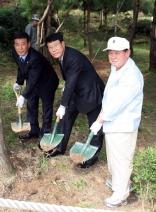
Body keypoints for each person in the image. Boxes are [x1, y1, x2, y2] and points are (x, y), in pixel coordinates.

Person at [90, 37, 143, 207]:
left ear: (128, 53)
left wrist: (100, 119)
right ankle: (120, 181)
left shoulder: (132, 76)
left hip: (123, 123)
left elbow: (118, 103)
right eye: (111, 53)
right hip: (113, 122)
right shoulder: (117, 67)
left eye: (117, 53)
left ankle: (121, 193)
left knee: (121, 157)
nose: (113, 57)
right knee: (113, 155)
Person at [45, 32, 105, 169]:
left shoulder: (73, 57)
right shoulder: (62, 57)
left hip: (91, 92)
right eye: (50, 47)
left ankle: (91, 157)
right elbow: (71, 78)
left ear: (63, 44)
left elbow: (71, 80)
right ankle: (60, 147)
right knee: (65, 118)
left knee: (95, 126)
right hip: (77, 92)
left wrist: (62, 104)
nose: (53, 49)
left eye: (56, 45)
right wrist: (66, 92)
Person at [12, 32, 59, 145]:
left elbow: (33, 80)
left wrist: (23, 95)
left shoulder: (35, 58)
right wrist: (19, 82)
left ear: (29, 44)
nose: (20, 47)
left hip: (47, 83)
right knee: (31, 106)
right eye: (17, 44)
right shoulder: (15, 53)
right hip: (33, 81)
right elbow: (21, 67)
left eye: (23, 44)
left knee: (46, 110)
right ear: (14, 46)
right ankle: (33, 130)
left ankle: (45, 134)